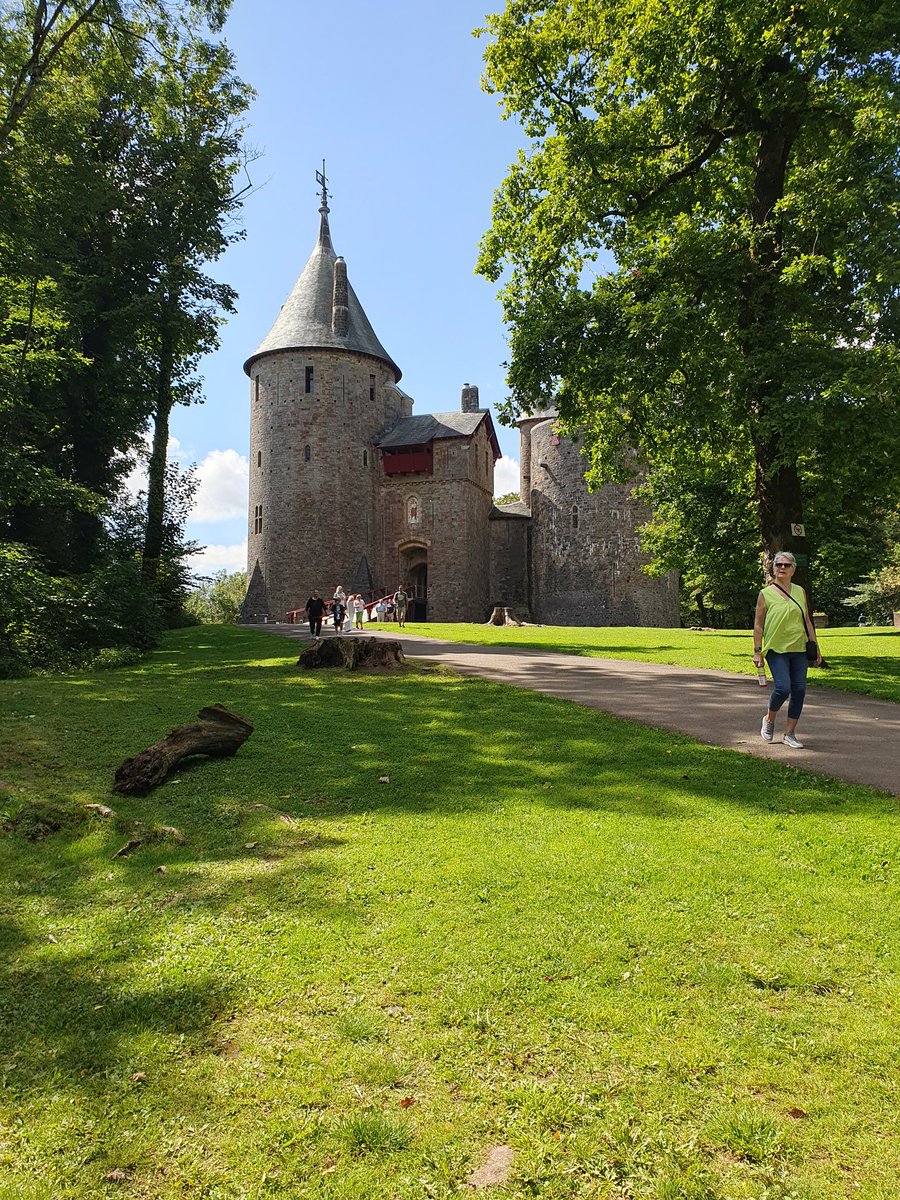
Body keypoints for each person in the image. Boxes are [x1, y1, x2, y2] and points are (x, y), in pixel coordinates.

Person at [752, 552, 821, 749]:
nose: (781, 568)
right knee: (783, 688)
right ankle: (769, 718)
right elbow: (758, 625)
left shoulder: (799, 591)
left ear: (793, 569)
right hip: (776, 649)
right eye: (778, 565)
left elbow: (807, 620)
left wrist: (815, 647)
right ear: (773, 568)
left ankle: (789, 733)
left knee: (799, 690)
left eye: (786, 565)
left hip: (799, 648)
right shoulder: (765, 594)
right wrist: (757, 651)